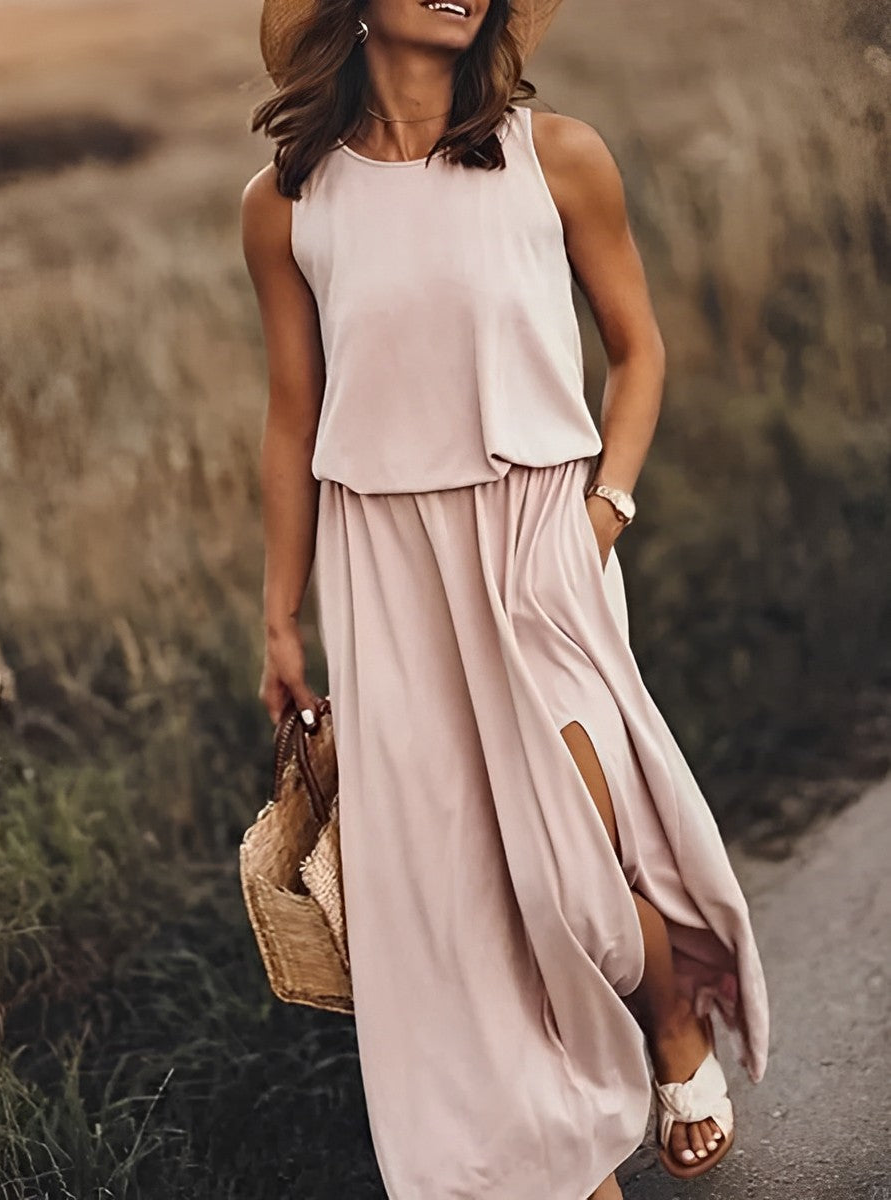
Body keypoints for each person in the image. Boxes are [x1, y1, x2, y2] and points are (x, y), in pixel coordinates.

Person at [240, 1, 770, 1196]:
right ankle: (557, 1153)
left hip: (542, 541)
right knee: (453, 894)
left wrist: (603, 517)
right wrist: (279, 612)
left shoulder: (558, 155)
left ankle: (672, 1009)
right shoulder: (284, 206)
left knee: (572, 865)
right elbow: (290, 413)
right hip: (383, 564)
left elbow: (638, 350)